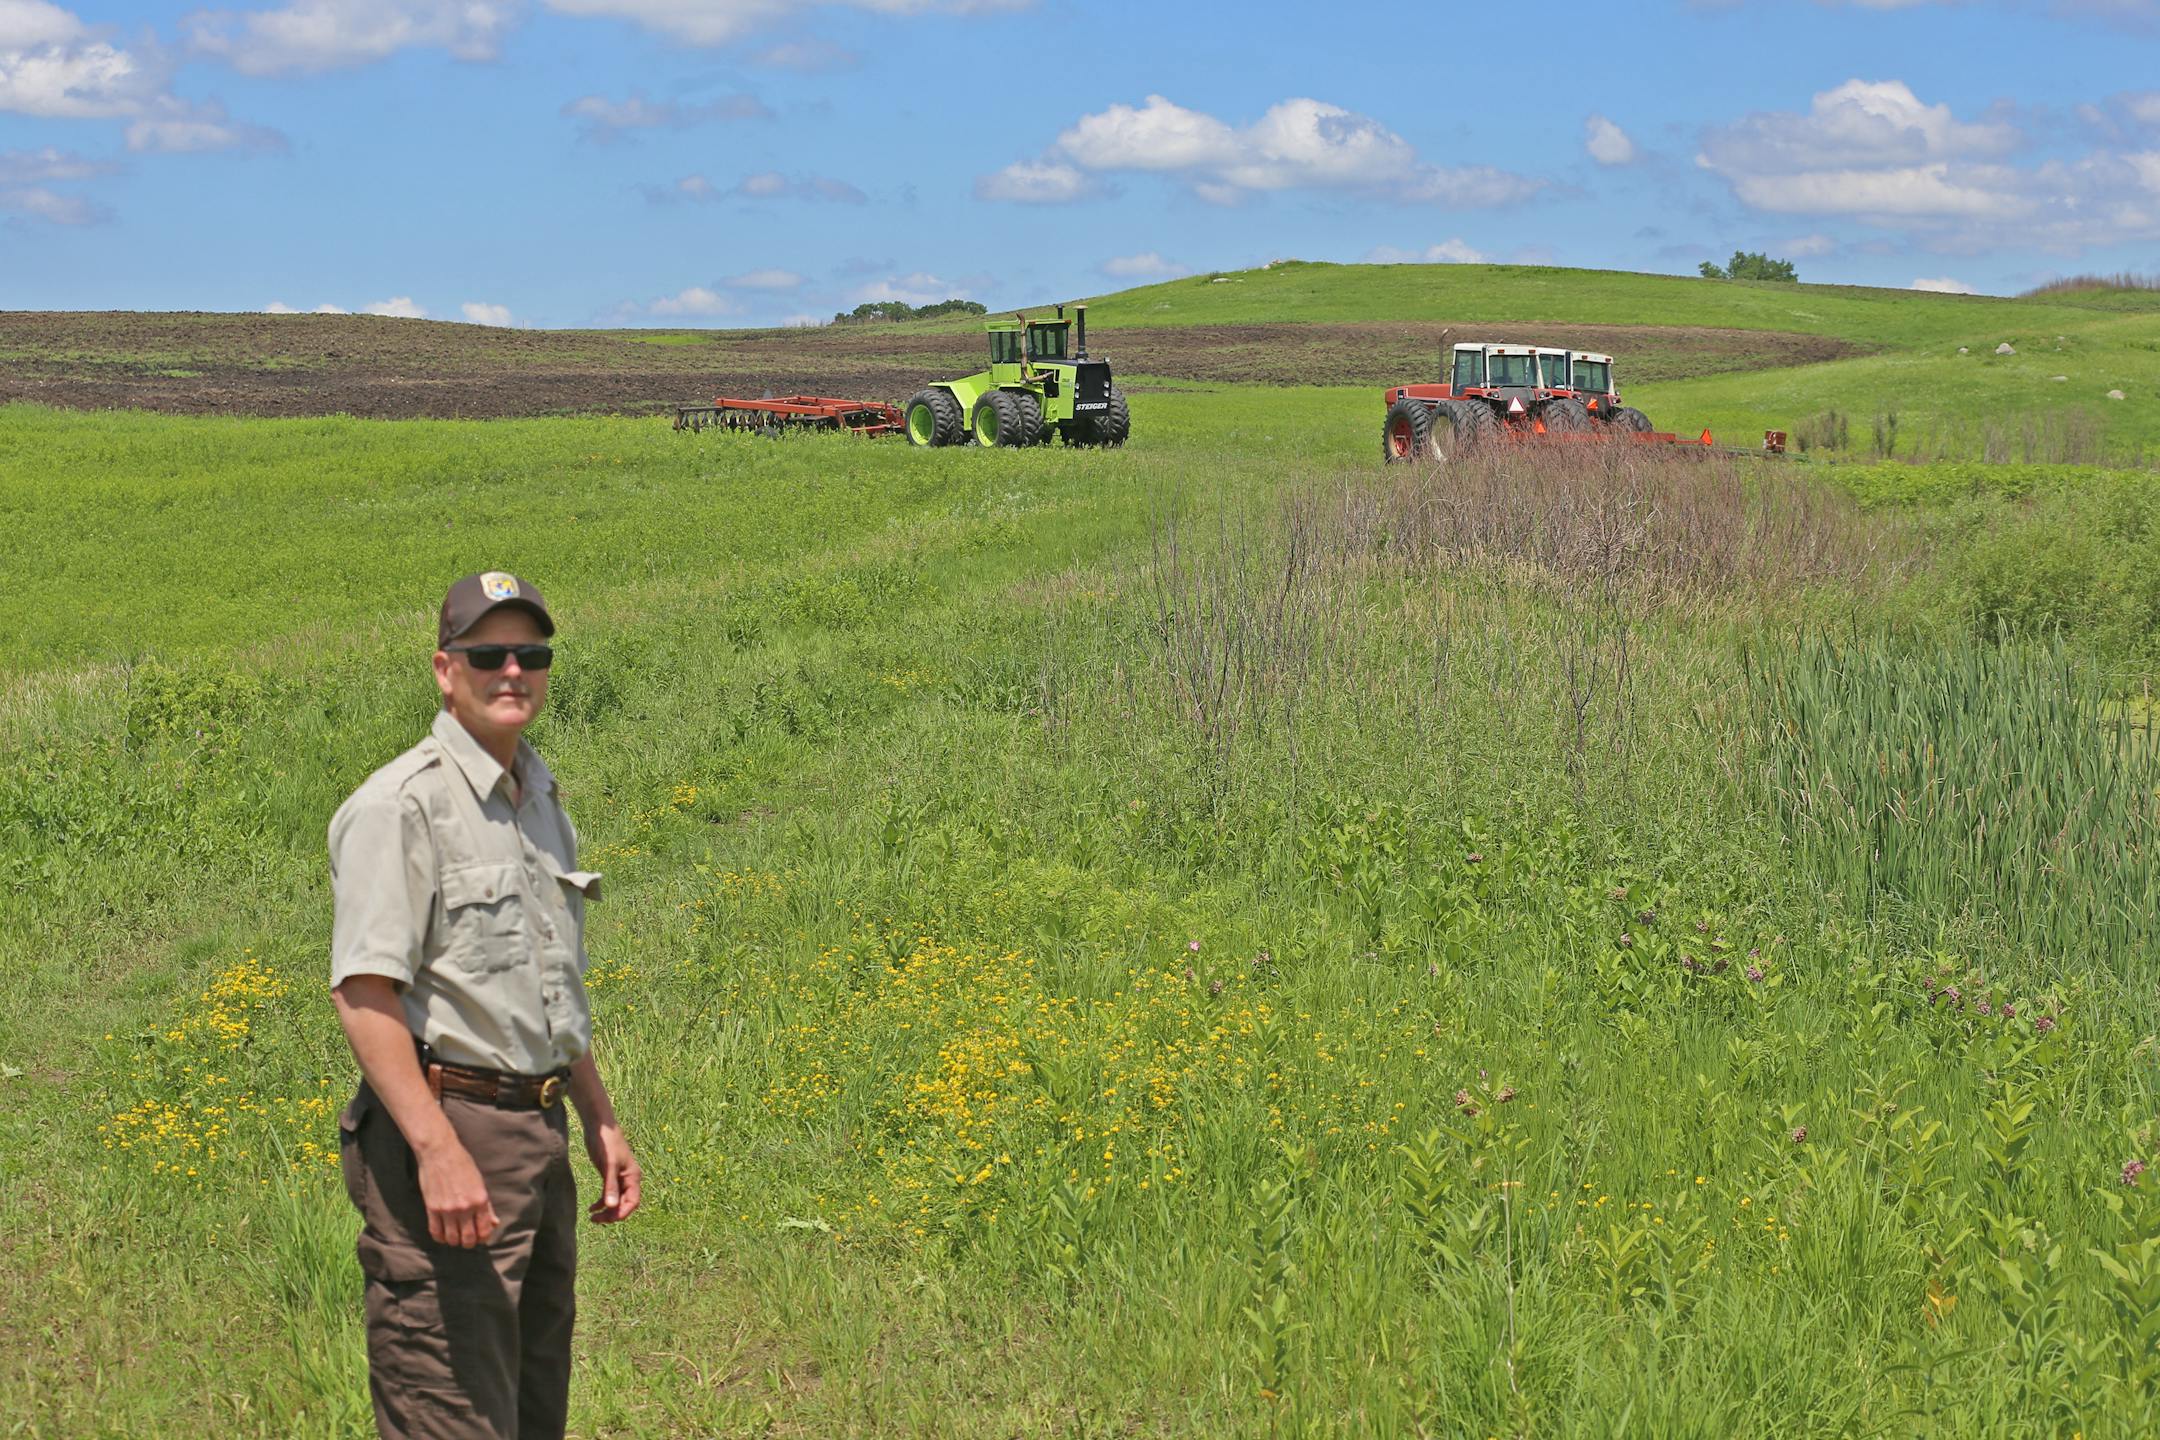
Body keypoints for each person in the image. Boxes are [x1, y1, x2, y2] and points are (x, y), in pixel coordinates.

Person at [328, 571, 640, 1440]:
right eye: (488, 653)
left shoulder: (536, 798)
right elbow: (365, 992)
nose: (512, 671)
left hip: (537, 1134)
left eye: (531, 654)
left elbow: (548, 983)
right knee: (451, 1409)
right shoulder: (400, 807)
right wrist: (436, 1150)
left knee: (533, 1406)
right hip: (452, 1134)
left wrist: (599, 1119)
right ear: (444, 669)